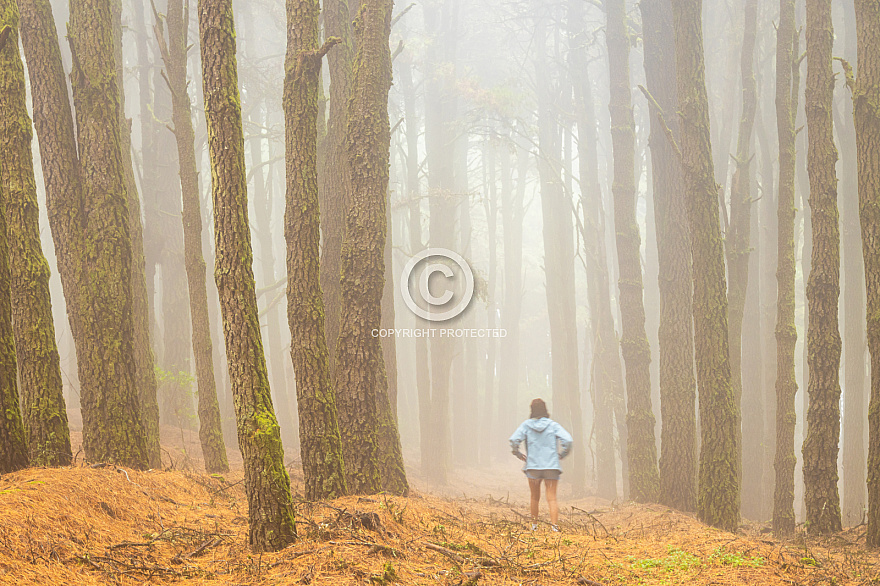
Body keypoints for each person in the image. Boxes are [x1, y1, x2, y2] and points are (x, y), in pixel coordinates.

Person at [509, 398, 572, 532]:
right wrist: (562, 454)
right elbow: (568, 440)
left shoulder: (526, 425)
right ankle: (554, 527)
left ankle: (534, 526)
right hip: (551, 467)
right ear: (545, 410)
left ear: (532, 410)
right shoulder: (553, 425)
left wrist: (518, 454)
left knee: (534, 497)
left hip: (533, 467)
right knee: (552, 498)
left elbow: (514, 439)